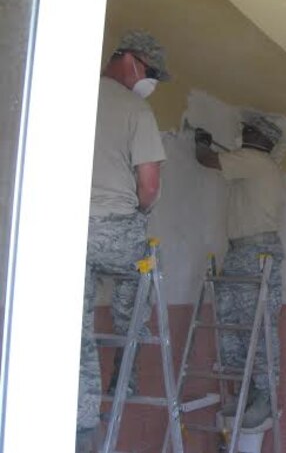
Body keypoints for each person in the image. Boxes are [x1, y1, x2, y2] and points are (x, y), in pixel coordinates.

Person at [77, 30, 169, 452]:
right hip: (116, 225)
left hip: (67, 229)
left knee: (73, 329)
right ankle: (124, 373)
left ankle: (79, 424)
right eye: (149, 72)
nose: (149, 82)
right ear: (131, 61)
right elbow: (148, 186)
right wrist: (140, 213)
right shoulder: (136, 109)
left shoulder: (70, 89)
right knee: (140, 275)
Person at [194, 117, 285, 427]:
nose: (243, 131)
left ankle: (264, 397)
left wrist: (201, 142)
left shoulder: (254, 160)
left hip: (256, 254)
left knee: (257, 326)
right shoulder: (252, 164)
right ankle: (245, 393)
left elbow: (205, 160)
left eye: (249, 129)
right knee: (231, 322)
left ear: (262, 138)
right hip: (242, 252)